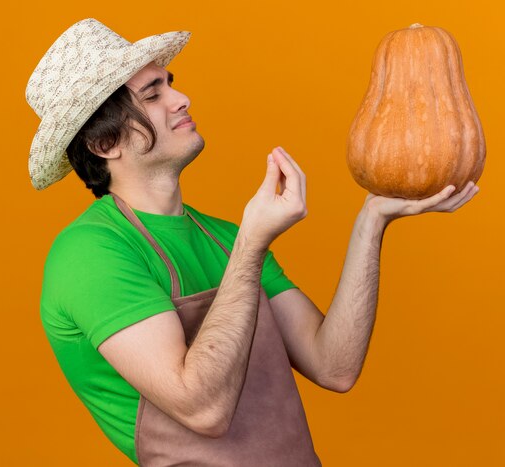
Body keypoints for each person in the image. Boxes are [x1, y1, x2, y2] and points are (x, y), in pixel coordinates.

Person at [25, 18, 480, 466]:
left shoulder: (224, 237)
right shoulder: (90, 253)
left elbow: (334, 366)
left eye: (169, 84)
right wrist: (251, 246)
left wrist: (373, 219)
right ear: (105, 142)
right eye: (153, 94)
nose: (181, 98)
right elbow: (202, 410)